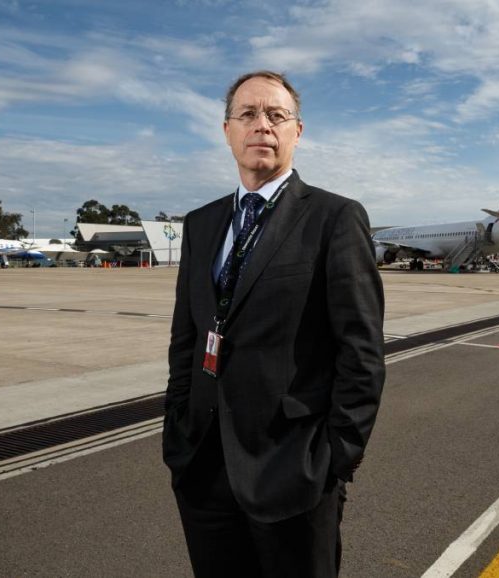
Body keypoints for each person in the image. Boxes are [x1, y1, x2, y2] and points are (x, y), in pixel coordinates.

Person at [162, 70, 385, 578]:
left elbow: (362, 352)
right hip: (202, 465)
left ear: (297, 132)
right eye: (248, 114)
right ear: (227, 131)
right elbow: (187, 339)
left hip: (293, 471)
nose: (261, 125)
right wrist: (177, 428)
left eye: (276, 115)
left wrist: (335, 459)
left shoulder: (335, 217)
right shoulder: (201, 224)